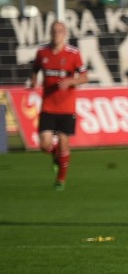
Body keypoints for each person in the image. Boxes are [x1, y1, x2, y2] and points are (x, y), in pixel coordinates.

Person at [28, 21, 89, 190]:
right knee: (44, 145)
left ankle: (60, 180)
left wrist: (71, 81)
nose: (57, 34)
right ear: (50, 32)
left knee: (64, 142)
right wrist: (33, 81)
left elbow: (84, 77)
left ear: (65, 33)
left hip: (67, 108)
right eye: (54, 31)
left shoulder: (73, 54)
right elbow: (35, 68)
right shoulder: (42, 52)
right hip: (48, 107)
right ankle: (56, 155)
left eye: (60, 31)